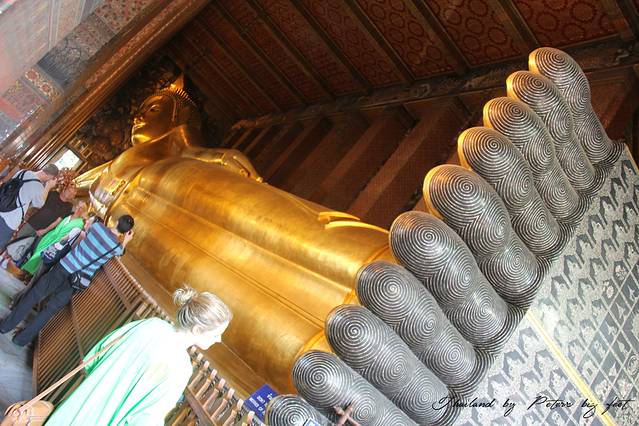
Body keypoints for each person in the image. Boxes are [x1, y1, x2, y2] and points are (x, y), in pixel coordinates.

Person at [45, 285, 232, 426]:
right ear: (197, 329)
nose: (219, 340)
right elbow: (147, 418)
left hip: (74, 408)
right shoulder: (181, 367)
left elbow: (95, 356)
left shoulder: (151, 325)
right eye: (216, 334)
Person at [0, 214, 135, 346]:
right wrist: (125, 241)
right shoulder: (116, 247)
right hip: (76, 281)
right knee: (50, 310)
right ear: (126, 232)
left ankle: (6, 326)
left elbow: (87, 233)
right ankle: (21, 340)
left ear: (117, 221)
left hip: (64, 267)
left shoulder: (98, 227)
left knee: (35, 294)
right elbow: (120, 253)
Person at [0, 164, 59, 249]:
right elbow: (39, 204)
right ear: (50, 176)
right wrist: (48, 186)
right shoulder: (38, 187)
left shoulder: (23, 172)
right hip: (9, 221)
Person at [20, 201, 87, 275]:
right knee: (38, 252)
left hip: (57, 243)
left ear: (83, 211)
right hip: (50, 237)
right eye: (78, 206)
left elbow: (70, 236)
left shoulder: (80, 223)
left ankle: (26, 272)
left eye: (81, 208)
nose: (78, 209)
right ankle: (29, 273)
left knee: (40, 256)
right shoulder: (68, 216)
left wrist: (61, 241)